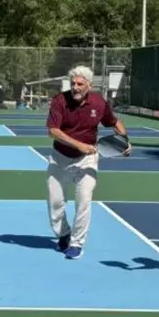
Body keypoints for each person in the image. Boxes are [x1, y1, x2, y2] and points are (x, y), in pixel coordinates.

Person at [45, 65, 132, 260]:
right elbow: (52, 131)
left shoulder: (99, 103)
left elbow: (115, 122)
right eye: (73, 83)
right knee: (55, 204)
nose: (75, 87)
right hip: (60, 157)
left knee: (83, 200)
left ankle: (77, 243)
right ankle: (64, 233)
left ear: (89, 86)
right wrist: (79, 145)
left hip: (88, 159)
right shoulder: (60, 101)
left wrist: (124, 141)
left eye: (80, 84)